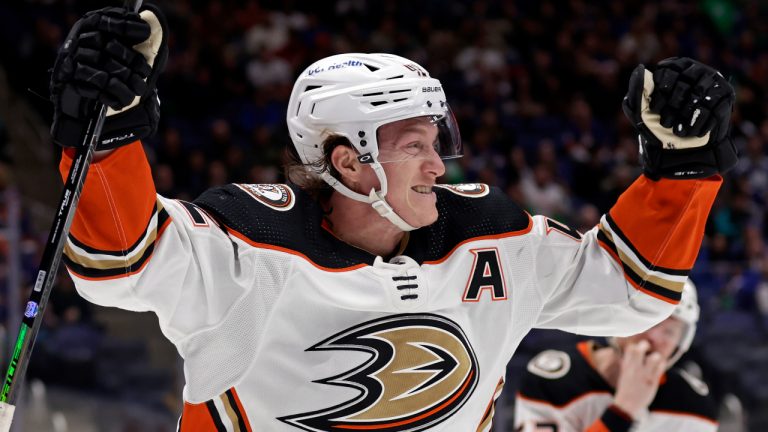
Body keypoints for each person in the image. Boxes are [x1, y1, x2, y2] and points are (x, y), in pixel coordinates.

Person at [48, 5, 735, 431]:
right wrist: (106, 139)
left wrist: (683, 172)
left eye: (436, 142)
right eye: (414, 147)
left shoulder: (492, 236)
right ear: (348, 163)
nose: (439, 165)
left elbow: (631, 292)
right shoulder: (243, 246)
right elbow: (120, 264)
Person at [514, 280, 719, 432]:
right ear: (619, 319)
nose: (654, 337)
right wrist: (623, 411)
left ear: (681, 343)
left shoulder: (693, 404)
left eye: (670, 331)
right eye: (649, 321)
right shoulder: (553, 381)